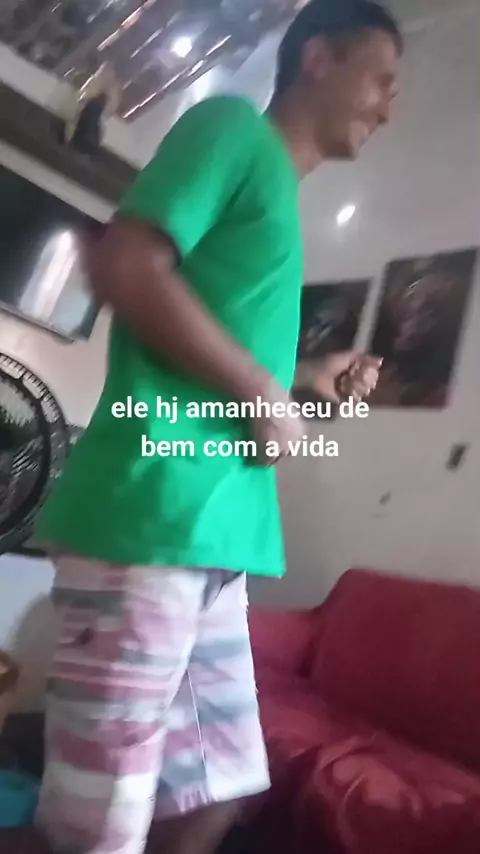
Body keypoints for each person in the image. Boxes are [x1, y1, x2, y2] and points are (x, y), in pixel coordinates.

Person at [32, 1, 401, 852]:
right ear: (319, 57)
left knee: (221, 785)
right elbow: (125, 262)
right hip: (150, 521)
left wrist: (302, 384)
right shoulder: (234, 129)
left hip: (214, 546)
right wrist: (260, 391)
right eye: (382, 80)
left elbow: (226, 365)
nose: (389, 107)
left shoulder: (278, 197)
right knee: (100, 817)